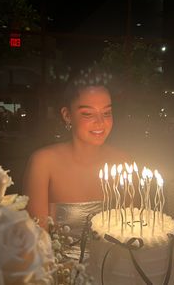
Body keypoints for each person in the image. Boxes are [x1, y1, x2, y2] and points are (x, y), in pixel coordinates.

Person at [22, 67, 129, 230]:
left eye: (107, 113)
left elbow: (131, 228)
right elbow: (36, 240)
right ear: (67, 115)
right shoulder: (43, 162)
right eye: (88, 114)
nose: (100, 122)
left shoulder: (123, 162)